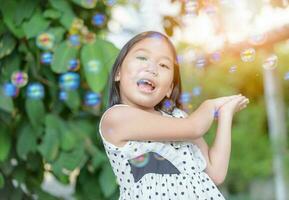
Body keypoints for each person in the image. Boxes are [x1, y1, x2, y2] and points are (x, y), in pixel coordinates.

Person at [98, 31, 249, 200]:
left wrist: (225, 114)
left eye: (163, 65)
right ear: (118, 72)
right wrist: (209, 105)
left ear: (170, 88)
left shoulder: (179, 118)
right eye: (142, 58)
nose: (152, 68)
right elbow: (195, 127)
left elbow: (216, 173)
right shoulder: (117, 118)